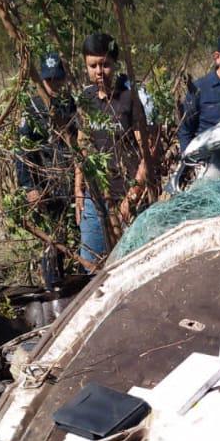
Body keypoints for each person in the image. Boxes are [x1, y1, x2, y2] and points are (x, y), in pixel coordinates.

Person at [74, 33, 153, 268]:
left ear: (114, 65)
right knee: (91, 266)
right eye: (93, 65)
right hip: (95, 199)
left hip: (126, 196)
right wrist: (78, 188)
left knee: (130, 266)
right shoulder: (86, 99)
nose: (100, 71)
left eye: (105, 65)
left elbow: (147, 154)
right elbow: (83, 145)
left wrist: (131, 198)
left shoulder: (130, 99)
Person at [16, 53, 77, 288]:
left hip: (71, 184)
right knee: (53, 240)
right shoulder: (32, 107)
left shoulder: (72, 104)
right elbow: (22, 151)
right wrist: (30, 187)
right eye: (48, 80)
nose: (53, 85)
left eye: (57, 79)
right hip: (47, 186)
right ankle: (53, 286)